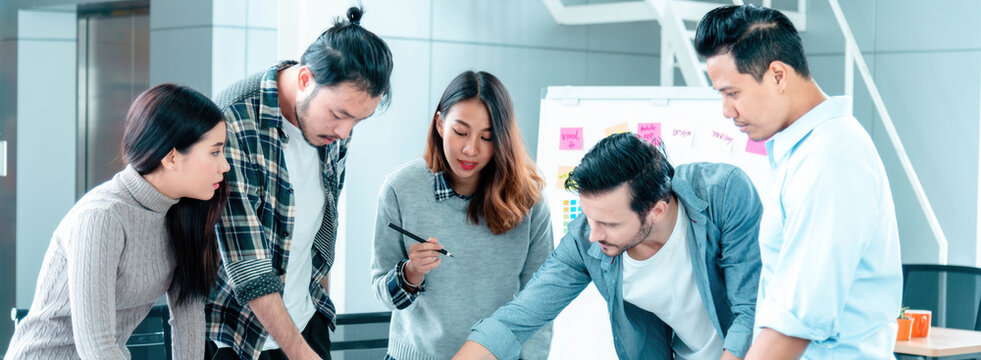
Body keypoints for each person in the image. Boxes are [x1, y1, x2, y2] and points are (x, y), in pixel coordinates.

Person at [694, 5, 903, 359]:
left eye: (733, 93)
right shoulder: (804, 151)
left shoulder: (830, 157)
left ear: (778, 75)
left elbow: (795, 323)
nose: (727, 111)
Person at [454, 132, 763, 360]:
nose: (593, 235)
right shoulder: (585, 240)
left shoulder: (723, 193)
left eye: (610, 224)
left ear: (657, 210)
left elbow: (749, 312)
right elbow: (516, 320)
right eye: (589, 218)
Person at [205, 6, 393, 360]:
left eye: (358, 121)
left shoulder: (334, 129)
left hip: (307, 324)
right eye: (339, 115)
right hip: (240, 338)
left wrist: (318, 314)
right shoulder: (233, 121)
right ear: (305, 79)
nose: (344, 132)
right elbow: (247, 265)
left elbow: (321, 224)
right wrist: (300, 353)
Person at [4, 84, 230, 360]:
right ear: (171, 158)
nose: (225, 165)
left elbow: (188, 323)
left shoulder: (181, 214)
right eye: (215, 152)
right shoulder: (101, 217)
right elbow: (96, 346)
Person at [370, 71, 553, 360]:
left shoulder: (529, 201)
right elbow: (383, 293)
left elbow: (539, 302)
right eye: (461, 132)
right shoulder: (399, 189)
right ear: (440, 124)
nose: (471, 149)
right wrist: (411, 273)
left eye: (487, 137)